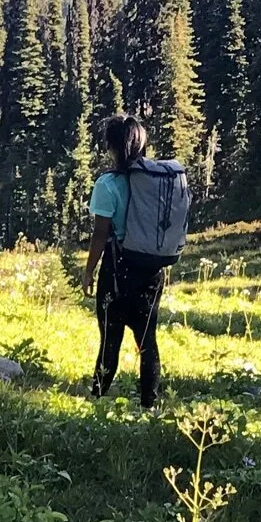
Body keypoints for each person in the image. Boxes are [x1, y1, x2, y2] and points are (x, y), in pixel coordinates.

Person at [85, 113, 170, 408]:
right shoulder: (154, 180)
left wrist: (88, 273)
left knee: (111, 336)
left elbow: (100, 235)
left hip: (117, 269)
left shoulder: (107, 184)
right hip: (151, 270)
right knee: (147, 340)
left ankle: (97, 396)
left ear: (112, 146)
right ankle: (149, 402)